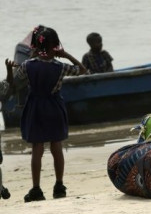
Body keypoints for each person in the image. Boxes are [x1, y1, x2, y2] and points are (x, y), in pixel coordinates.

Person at [2, 26, 87, 202]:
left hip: (35, 108)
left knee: (37, 149)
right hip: (54, 107)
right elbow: (82, 70)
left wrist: (9, 70)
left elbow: (13, 84)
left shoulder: (27, 65)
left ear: (37, 46)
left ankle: (36, 189)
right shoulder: (61, 66)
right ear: (55, 46)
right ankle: (59, 185)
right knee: (57, 146)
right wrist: (66, 55)